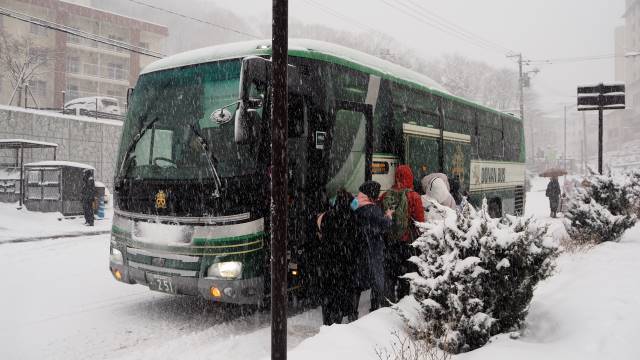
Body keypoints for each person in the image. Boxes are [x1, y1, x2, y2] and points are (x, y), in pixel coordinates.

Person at [380, 165, 424, 302]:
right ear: (410, 177)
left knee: (389, 274)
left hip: (390, 241)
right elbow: (420, 222)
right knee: (406, 275)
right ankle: (402, 302)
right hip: (407, 242)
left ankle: (388, 302)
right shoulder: (414, 196)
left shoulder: (385, 195)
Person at [317, 189, 360, 325]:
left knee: (328, 291)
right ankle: (339, 317)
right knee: (342, 290)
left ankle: (328, 320)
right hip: (345, 261)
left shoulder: (326, 216)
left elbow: (320, 235)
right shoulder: (353, 217)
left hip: (328, 261)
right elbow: (356, 239)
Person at [354, 180, 392, 312]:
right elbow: (385, 225)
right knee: (377, 279)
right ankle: (375, 309)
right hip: (373, 247)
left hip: (359, 248)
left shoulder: (355, 204)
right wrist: (388, 216)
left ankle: (353, 312)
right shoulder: (373, 210)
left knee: (358, 281)